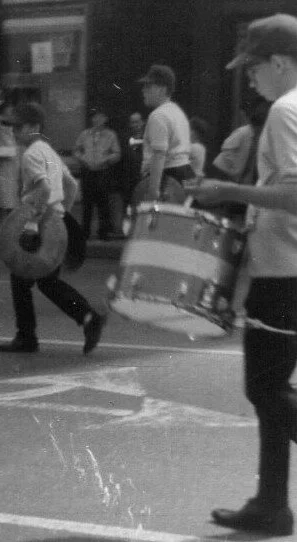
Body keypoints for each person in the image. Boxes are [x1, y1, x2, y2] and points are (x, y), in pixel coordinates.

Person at [186, 13, 297, 536]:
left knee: (266, 389)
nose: (249, 79)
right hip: (286, 269)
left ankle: (271, 504)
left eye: (253, 68)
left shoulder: (285, 110)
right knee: (273, 388)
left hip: (286, 274)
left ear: (280, 63)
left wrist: (226, 191)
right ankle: (270, 504)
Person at [0, 102, 107, 354]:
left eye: (19, 127)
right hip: (54, 221)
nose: (14, 132)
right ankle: (88, 317)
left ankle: (27, 337)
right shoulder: (48, 151)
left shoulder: (31, 154)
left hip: (39, 223)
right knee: (46, 282)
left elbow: (44, 189)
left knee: (21, 278)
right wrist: (60, 215)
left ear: (34, 127)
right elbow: (71, 185)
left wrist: (35, 223)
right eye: (12, 127)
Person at [137, 64, 195, 201]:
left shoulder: (158, 116)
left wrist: (153, 191)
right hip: (185, 173)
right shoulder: (177, 112)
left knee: (160, 215)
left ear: (162, 89)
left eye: (148, 86)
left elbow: (159, 155)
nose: (143, 90)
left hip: (167, 177)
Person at [208, 99, 271, 221]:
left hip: (242, 177)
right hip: (227, 172)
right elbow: (226, 147)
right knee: (226, 204)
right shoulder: (243, 132)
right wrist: (234, 168)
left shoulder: (260, 137)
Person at [73, 107, 121, 240]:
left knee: (103, 203)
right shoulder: (84, 134)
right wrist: (83, 159)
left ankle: (103, 232)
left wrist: (106, 159)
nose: (97, 119)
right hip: (87, 171)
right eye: (95, 117)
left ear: (105, 119)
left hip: (103, 172)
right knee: (87, 203)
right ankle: (85, 232)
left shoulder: (111, 135)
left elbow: (117, 153)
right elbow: (76, 150)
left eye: (101, 117)